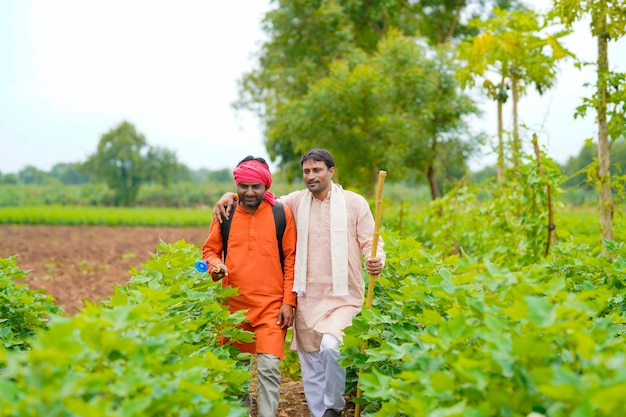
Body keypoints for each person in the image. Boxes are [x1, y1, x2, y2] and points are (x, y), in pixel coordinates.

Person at [213, 149, 385, 417]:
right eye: (307, 171)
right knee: (310, 362)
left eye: (317, 170)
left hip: (343, 295)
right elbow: (257, 197)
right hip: (307, 295)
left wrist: (376, 259)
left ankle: (334, 407)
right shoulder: (294, 202)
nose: (311, 176)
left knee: (330, 347)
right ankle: (319, 413)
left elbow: (370, 242)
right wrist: (231, 196)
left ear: (331, 171)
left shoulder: (354, 203)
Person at [202, 155, 297, 417]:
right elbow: (210, 250)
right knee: (236, 372)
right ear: (237, 185)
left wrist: (289, 301)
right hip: (233, 305)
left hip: (271, 306)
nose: (249, 191)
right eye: (243, 186)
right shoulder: (226, 212)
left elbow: (291, 259)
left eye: (256, 186)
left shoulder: (281, 213)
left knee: (268, 367)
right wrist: (214, 266)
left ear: (266, 185)